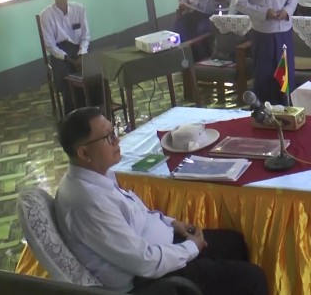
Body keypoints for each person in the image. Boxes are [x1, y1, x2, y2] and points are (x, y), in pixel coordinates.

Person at [54, 107, 268, 295]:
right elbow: (143, 262)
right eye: (108, 137)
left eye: (114, 131)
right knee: (254, 279)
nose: (117, 140)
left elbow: (137, 215)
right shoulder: (86, 202)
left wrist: (172, 223)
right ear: (84, 153)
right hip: (151, 280)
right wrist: (191, 248)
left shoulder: (97, 174)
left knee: (235, 243)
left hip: (163, 245)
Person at [237, 0, 299, 105]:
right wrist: (264, 13)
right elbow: (241, 3)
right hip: (262, 33)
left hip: (284, 31)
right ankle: (265, 110)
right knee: (264, 75)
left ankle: (288, 108)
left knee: (285, 76)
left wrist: (287, 10)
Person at [39, 0, 100, 114]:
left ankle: (97, 111)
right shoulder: (46, 15)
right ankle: (75, 115)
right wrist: (70, 59)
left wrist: (81, 55)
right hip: (61, 55)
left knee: (96, 73)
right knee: (67, 80)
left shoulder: (79, 9)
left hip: (80, 50)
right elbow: (50, 46)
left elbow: (85, 36)